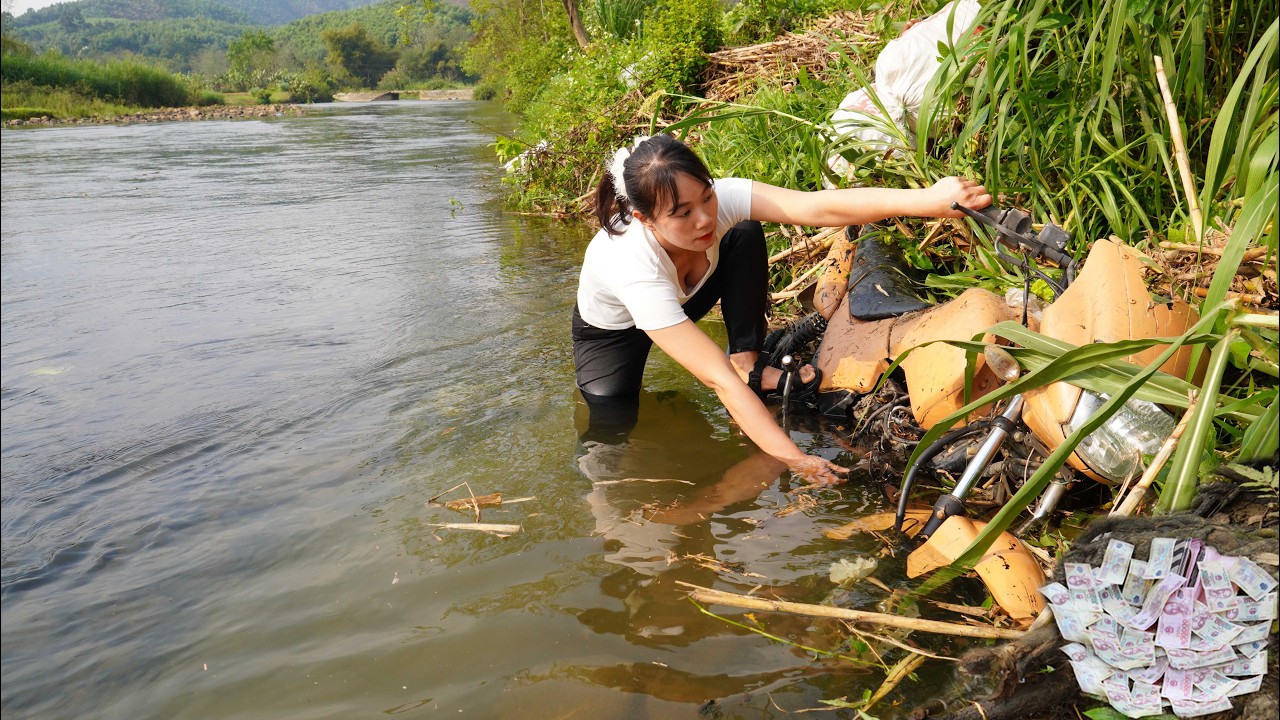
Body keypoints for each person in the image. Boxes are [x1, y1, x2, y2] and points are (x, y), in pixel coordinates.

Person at [572, 134, 990, 486]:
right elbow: (717, 381)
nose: (704, 219)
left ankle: (749, 363)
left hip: (689, 292)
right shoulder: (632, 267)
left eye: (707, 197)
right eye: (683, 214)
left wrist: (929, 199)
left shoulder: (716, 206)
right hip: (614, 332)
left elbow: (816, 208)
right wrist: (795, 458)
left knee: (743, 230)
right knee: (613, 425)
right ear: (645, 220)